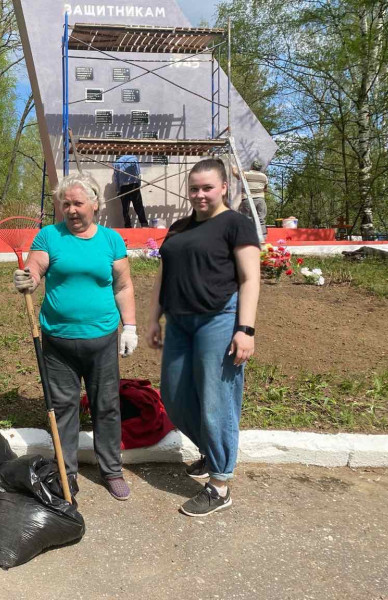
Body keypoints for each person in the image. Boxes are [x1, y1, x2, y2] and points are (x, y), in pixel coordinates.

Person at [146, 159, 260, 517]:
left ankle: (220, 483)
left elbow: (250, 278)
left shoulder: (236, 224)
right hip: (179, 323)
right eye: (194, 188)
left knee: (217, 401)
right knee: (175, 398)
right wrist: (154, 319)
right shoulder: (178, 228)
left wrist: (245, 329)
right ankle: (211, 452)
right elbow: (163, 277)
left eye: (207, 188)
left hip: (219, 321)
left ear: (224, 187)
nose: (200, 194)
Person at [13, 172, 138, 501]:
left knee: (107, 406)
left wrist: (132, 327)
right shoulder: (49, 236)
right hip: (58, 344)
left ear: (94, 204)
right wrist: (28, 278)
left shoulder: (111, 240)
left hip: (103, 339)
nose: (70, 210)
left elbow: (123, 286)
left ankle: (111, 470)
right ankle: (66, 473)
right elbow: (36, 268)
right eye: (65, 203)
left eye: (77, 203)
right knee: (64, 408)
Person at [234, 159, 268, 235]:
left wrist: (234, 168)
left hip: (247, 199)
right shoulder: (264, 176)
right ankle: (262, 238)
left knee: (246, 218)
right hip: (260, 200)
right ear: (260, 168)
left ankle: (247, 236)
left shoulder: (245, 174)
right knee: (261, 219)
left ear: (252, 166)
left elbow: (236, 174)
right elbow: (265, 189)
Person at [113, 154, 148, 228]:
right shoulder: (134, 159)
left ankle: (127, 225)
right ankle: (144, 224)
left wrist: (118, 190)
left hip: (123, 187)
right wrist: (139, 184)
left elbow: (116, 178)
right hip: (134, 185)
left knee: (125, 208)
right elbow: (138, 173)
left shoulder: (117, 162)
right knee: (138, 206)